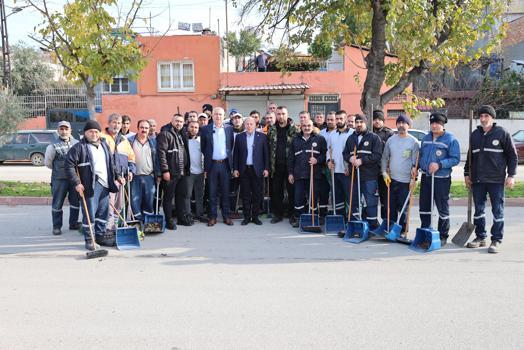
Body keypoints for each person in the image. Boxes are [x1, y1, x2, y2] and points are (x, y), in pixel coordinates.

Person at [464, 105, 518, 253]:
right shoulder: (474, 135)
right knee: (479, 211)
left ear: (492, 117)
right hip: (478, 180)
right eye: (481, 116)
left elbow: (512, 156)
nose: (483, 119)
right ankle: (480, 237)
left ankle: (496, 240)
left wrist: (511, 175)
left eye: (486, 116)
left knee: (497, 211)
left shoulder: (502, 133)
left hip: (496, 180)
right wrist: (466, 175)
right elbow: (470, 158)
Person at [66, 120, 119, 250]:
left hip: (105, 184)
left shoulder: (104, 145)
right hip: (90, 185)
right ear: (85, 133)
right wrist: (77, 183)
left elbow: (110, 164)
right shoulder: (79, 147)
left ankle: (100, 237)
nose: (94, 134)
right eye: (91, 131)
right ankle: (90, 240)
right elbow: (69, 166)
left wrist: (117, 176)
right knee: (89, 214)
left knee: (103, 213)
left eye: (96, 131)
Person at [418, 112, 460, 246]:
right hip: (426, 177)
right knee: (424, 206)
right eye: (432, 123)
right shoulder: (425, 138)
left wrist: (440, 164)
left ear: (443, 125)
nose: (434, 126)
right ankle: (425, 232)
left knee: (442, 208)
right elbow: (421, 156)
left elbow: (455, 159)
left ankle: (442, 235)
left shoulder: (451, 139)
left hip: (441, 179)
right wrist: (417, 166)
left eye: (437, 123)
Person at [381, 115, 419, 235]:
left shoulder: (414, 142)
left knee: (403, 208)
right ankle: (391, 227)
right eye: (399, 123)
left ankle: (402, 230)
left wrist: (415, 179)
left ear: (409, 125)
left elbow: (415, 163)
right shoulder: (391, 140)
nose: (401, 125)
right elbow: (384, 157)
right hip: (391, 180)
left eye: (404, 123)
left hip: (406, 181)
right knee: (390, 206)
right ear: (396, 125)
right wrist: (383, 172)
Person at [343, 114, 383, 230]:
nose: (359, 124)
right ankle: (355, 224)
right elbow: (345, 153)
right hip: (354, 176)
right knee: (354, 201)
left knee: (371, 201)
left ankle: (372, 225)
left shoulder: (374, 138)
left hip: (369, 176)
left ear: (366, 123)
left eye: (361, 122)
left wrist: (362, 160)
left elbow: (377, 155)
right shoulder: (351, 138)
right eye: (357, 122)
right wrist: (350, 159)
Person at [288, 119, 327, 227]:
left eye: (309, 125)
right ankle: (299, 218)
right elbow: (291, 158)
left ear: (312, 126)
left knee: (313, 197)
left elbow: (325, 154)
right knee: (298, 197)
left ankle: (313, 218)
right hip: (299, 174)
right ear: (301, 127)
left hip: (314, 174)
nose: (306, 128)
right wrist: (290, 173)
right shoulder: (295, 140)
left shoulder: (320, 139)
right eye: (304, 126)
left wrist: (317, 160)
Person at [100, 113, 136, 231]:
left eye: (119, 123)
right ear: (109, 123)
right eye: (114, 122)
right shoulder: (101, 138)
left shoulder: (124, 140)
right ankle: (108, 228)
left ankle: (115, 226)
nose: (116, 125)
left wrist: (131, 171)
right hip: (107, 179)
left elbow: (131, 158)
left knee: (119, 205)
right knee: (109, 205)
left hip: (122, 179)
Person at [200, 107, 235, 226]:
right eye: (216, 114)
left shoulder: (229, 129)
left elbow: (231, 145)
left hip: (225, 165)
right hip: (212, 165)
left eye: (220, 114)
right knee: (212, 192)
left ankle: (226, 216)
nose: (218, 116)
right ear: (212, 116)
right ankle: (212, 216)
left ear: (224, 116)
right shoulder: (205, 129)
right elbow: (204, 148)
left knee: (226, 192)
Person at [45, 121, 80, 235]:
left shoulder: (77, 143)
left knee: (75, 202)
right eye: (61, 129)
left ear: (70, 130)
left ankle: (73, 223)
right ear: (58, 131)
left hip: (74, 179)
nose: (64, 131)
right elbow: (48, 163)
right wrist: (59, 170)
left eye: (66, 129)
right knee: (57, 203)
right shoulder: (52, 146)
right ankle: (56, 226)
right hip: (59, 179)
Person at [233, 117, 269, 225]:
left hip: (257, 169)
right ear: (244, 125)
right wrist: (235, 168)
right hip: (244, 170)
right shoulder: (239, 137)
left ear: (255, 125)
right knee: (246, 195)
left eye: (251, 124)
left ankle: (255, 217)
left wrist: (266, 168)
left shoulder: (262, 137)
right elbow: (236, 155)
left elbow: (265, 154)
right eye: (247, 124)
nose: (249, 126)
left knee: (257, 194)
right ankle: (247, 217)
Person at [157, 114, 191, 228]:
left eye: (181, 122)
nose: (179, 123)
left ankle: (181, 218)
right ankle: (169, 221)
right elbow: (161, 154)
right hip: (171, 172)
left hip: (182, 172)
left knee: (180, 196)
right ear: (172, 121)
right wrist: (165, 170)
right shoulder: (165, 134)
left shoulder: (181, 134)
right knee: (168, 197)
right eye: (177, 121)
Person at [267, 106, 299, 225]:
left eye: (283, 114)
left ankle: (292, 214)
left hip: (291, 166)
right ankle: (278, 214)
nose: (281, 116)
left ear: (287, 114)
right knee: (276, 191)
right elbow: (268, 147)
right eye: (279, 114)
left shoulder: (294, 129)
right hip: (276, 165)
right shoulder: (271, 129)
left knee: (292, 191)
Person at [128, 120, 161, 222]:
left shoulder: (153, 142)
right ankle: (137, 221)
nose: (144, 130)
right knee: (135, 200)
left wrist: (158, 174)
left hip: (149, 176)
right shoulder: (130, 141)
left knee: (149, 199)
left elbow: (157, 159)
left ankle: (148, 221)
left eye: (146, 128)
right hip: (134, 176)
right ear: (137, 128)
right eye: (142, 127)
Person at [327, 110, 353, 226]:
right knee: (337, 197)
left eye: (341, 118)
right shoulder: (332, 134)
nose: (338, 121)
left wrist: (349, 166)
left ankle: (351, 221)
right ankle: (340, 220)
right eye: (337, 119)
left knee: (350, 197)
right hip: (335, 171)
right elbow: (329, 150)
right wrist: (328, 161)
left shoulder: (352, 133)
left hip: (347, 171)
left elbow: (353, 153)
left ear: (345, 119)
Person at [180, 121, 206, 223]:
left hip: (200, 172)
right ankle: (188, 214)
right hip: (189, 172)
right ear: (188, 128)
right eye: (192, 127)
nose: (193, 129)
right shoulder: (184, 140)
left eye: (196, 127)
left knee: (200, 194)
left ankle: (199, 214)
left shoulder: (201, 140)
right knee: (188, 194)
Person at [372, 110, 394, 224]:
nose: (377, 122)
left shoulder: (389, 134)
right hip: (370, 171)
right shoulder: (369, 132)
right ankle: (372, 222)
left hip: (384, 171)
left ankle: (386, 222)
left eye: (380, 119)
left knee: (385, 199)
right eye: (375, 119)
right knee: (370, 199)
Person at [318, 112, 337, 222]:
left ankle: (336, 213)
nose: (330, 121)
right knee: (323, 191)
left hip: (335, 166)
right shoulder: (321, 133)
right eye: (328, 119)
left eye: (332, 119)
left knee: (335, 191)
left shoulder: (338, 133)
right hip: (323, 166)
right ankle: (322, 214)